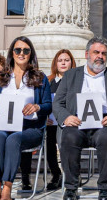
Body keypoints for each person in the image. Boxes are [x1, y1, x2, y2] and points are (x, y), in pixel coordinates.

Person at [53, 37, 107, 200]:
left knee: (106, 138)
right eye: (96, 52)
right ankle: (71, 187)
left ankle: (104, 188)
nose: (100, 56)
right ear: (86, 54)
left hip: (104, 123)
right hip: (77, 122)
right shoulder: (70, 76)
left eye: (104, 53)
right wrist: (66, 117)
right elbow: (58, 102)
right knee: (68, 137)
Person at [0, 37, 53, 200]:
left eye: (25, 50)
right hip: (3, 125)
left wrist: (36, 106)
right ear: (12, 53)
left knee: (14, 139)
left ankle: (7, 188)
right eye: (17, 50)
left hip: (29, 128)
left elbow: (48, 105)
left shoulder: (40, 78)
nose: (21, 53)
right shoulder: (1, 78)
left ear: (31, 54)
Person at [27, 48, 73, 192]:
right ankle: (56, 174)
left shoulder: (76, 80)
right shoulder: (48, 80)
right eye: (60, 60)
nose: (63, 63)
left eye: (66, 60)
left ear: (72, 63)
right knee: (49, 145)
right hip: (51, 123)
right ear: (55, 63)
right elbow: (42, 102)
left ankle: (72, 173)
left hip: (69, 123)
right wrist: (43, 117)